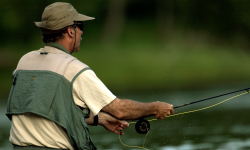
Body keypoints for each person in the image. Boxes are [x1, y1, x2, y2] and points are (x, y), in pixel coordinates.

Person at [6, 2, 174, 150]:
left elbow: (46, 110)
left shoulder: (24, 62)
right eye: (80, 26)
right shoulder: (74, 69)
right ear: (70, 31)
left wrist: (98, 119)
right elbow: (119, 109)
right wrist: (154, 108)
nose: (81, 32)